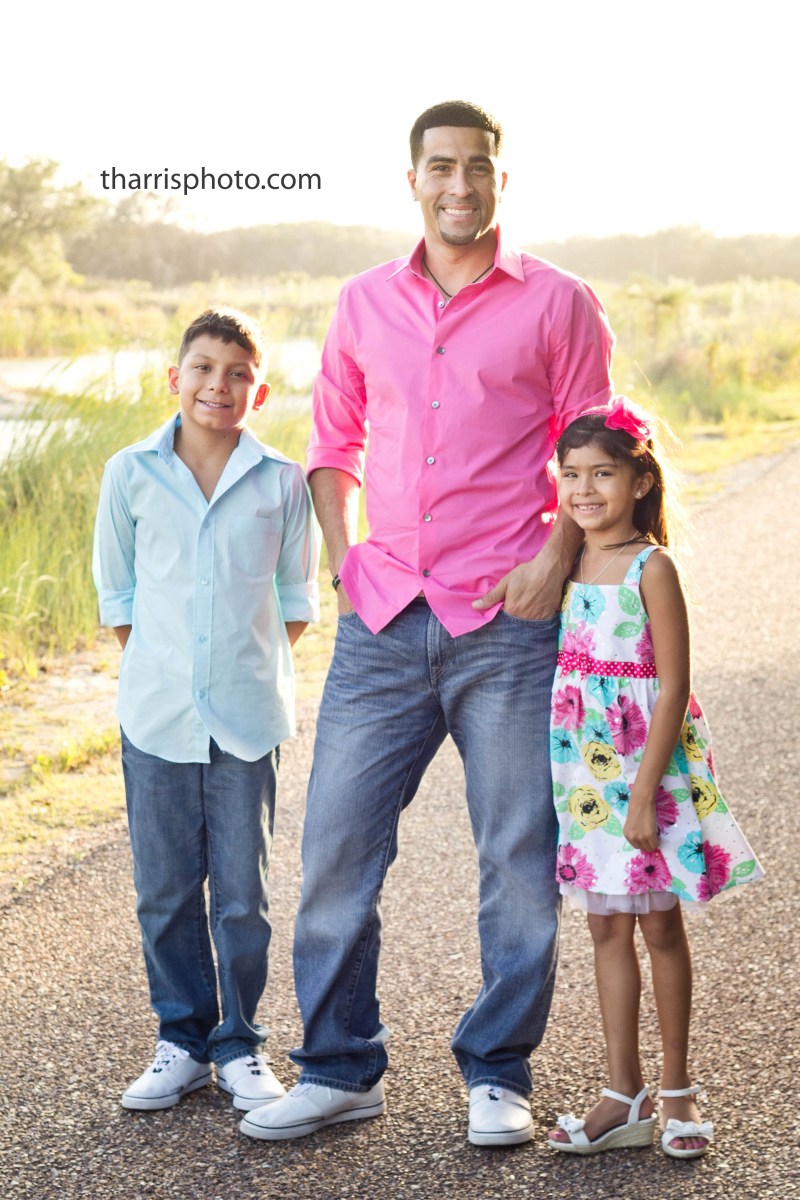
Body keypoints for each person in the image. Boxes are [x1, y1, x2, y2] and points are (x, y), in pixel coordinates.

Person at [239, 100, 615, 1146]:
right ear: (412, 179)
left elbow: (597, 443)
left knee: (516, 856)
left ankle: (496, 1071)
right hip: (384, 618)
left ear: (501, 179)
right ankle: (339, 1066)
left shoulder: (559, 304)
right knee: (335, 854)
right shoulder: (362, 303)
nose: (459, 185)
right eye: (439, 167)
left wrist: (552, 560)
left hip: (508, 624)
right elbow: (332, 442)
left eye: (477, 168)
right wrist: (346, 556)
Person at [92, 307, 320, 1113]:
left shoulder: (282, 480)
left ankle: (240, 1046)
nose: (217, 385)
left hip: (247, 717)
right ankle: (181, 1041)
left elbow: (296, 599)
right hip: (154, 712)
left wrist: (238, 665)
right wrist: (165, 667)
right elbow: (117, 592)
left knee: (241, 894)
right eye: (203, 368)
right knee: (163, 888)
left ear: (257, 393)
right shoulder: (129, 472)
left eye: (237, 375)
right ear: (174, 377)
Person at [546, 397, 763, 1158]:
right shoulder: (570, 560)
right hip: (584, 773)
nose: (583, 490)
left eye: (602, 473)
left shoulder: (651, 566)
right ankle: (621, 1091)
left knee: (659, 925)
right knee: (605, 924)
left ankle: (677, 1090)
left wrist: (642, 793)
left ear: (640, 480)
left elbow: (672, 686)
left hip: (645, 773)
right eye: (570, 474)